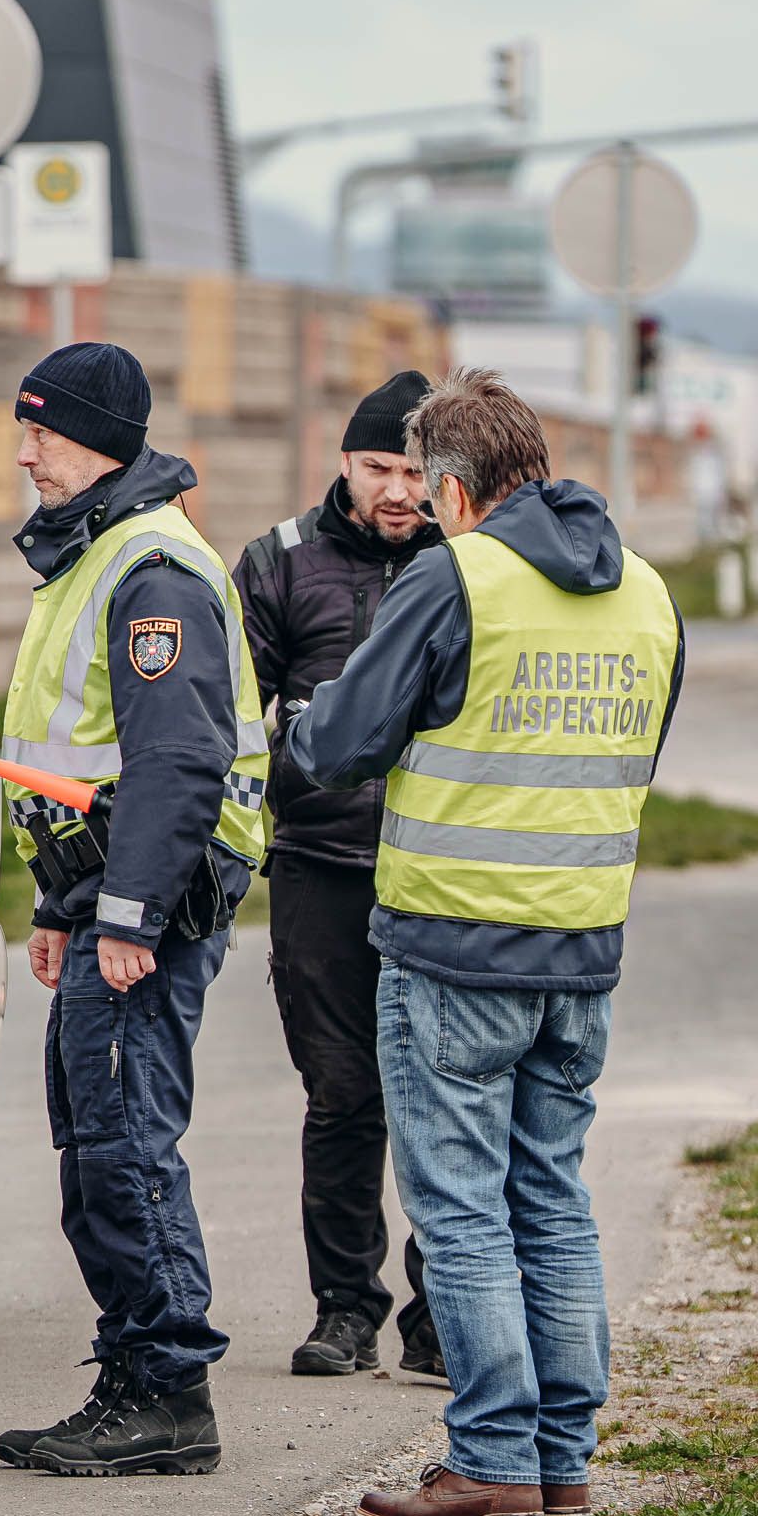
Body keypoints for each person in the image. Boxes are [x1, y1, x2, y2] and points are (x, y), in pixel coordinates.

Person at [281, 370, 682, 1516]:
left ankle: (492, 1462)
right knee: (550, 1196)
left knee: (459, 1208)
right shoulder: (645, 590)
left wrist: (305, 723)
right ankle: (561, 1466)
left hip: (454, 944)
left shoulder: (454, 577)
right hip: (581, 947)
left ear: (453, 493)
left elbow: (340, 745)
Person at [0, 342, 273, 1479]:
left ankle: (166, 1392)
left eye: (42, 432)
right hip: (106, 896)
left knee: (126, 1149)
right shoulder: (97, 551)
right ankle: (137, 1374)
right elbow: (80, 766)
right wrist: (63, 903)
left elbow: (176, 764)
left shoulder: (152, 571)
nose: (24, 453)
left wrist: (128, 917)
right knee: (97, 1145)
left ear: (99, 442)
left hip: (152, 908)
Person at [233, 367, 445, 1380]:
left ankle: (441, 1315)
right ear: (344, 461)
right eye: (377, 468)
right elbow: (231, 719)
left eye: (414, 472)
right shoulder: (277, 562)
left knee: (441, 1099)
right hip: (318, 868)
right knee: (342, 1095)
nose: (397, 491)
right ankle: (346, 1311)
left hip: (437, 870)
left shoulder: (470, 564)